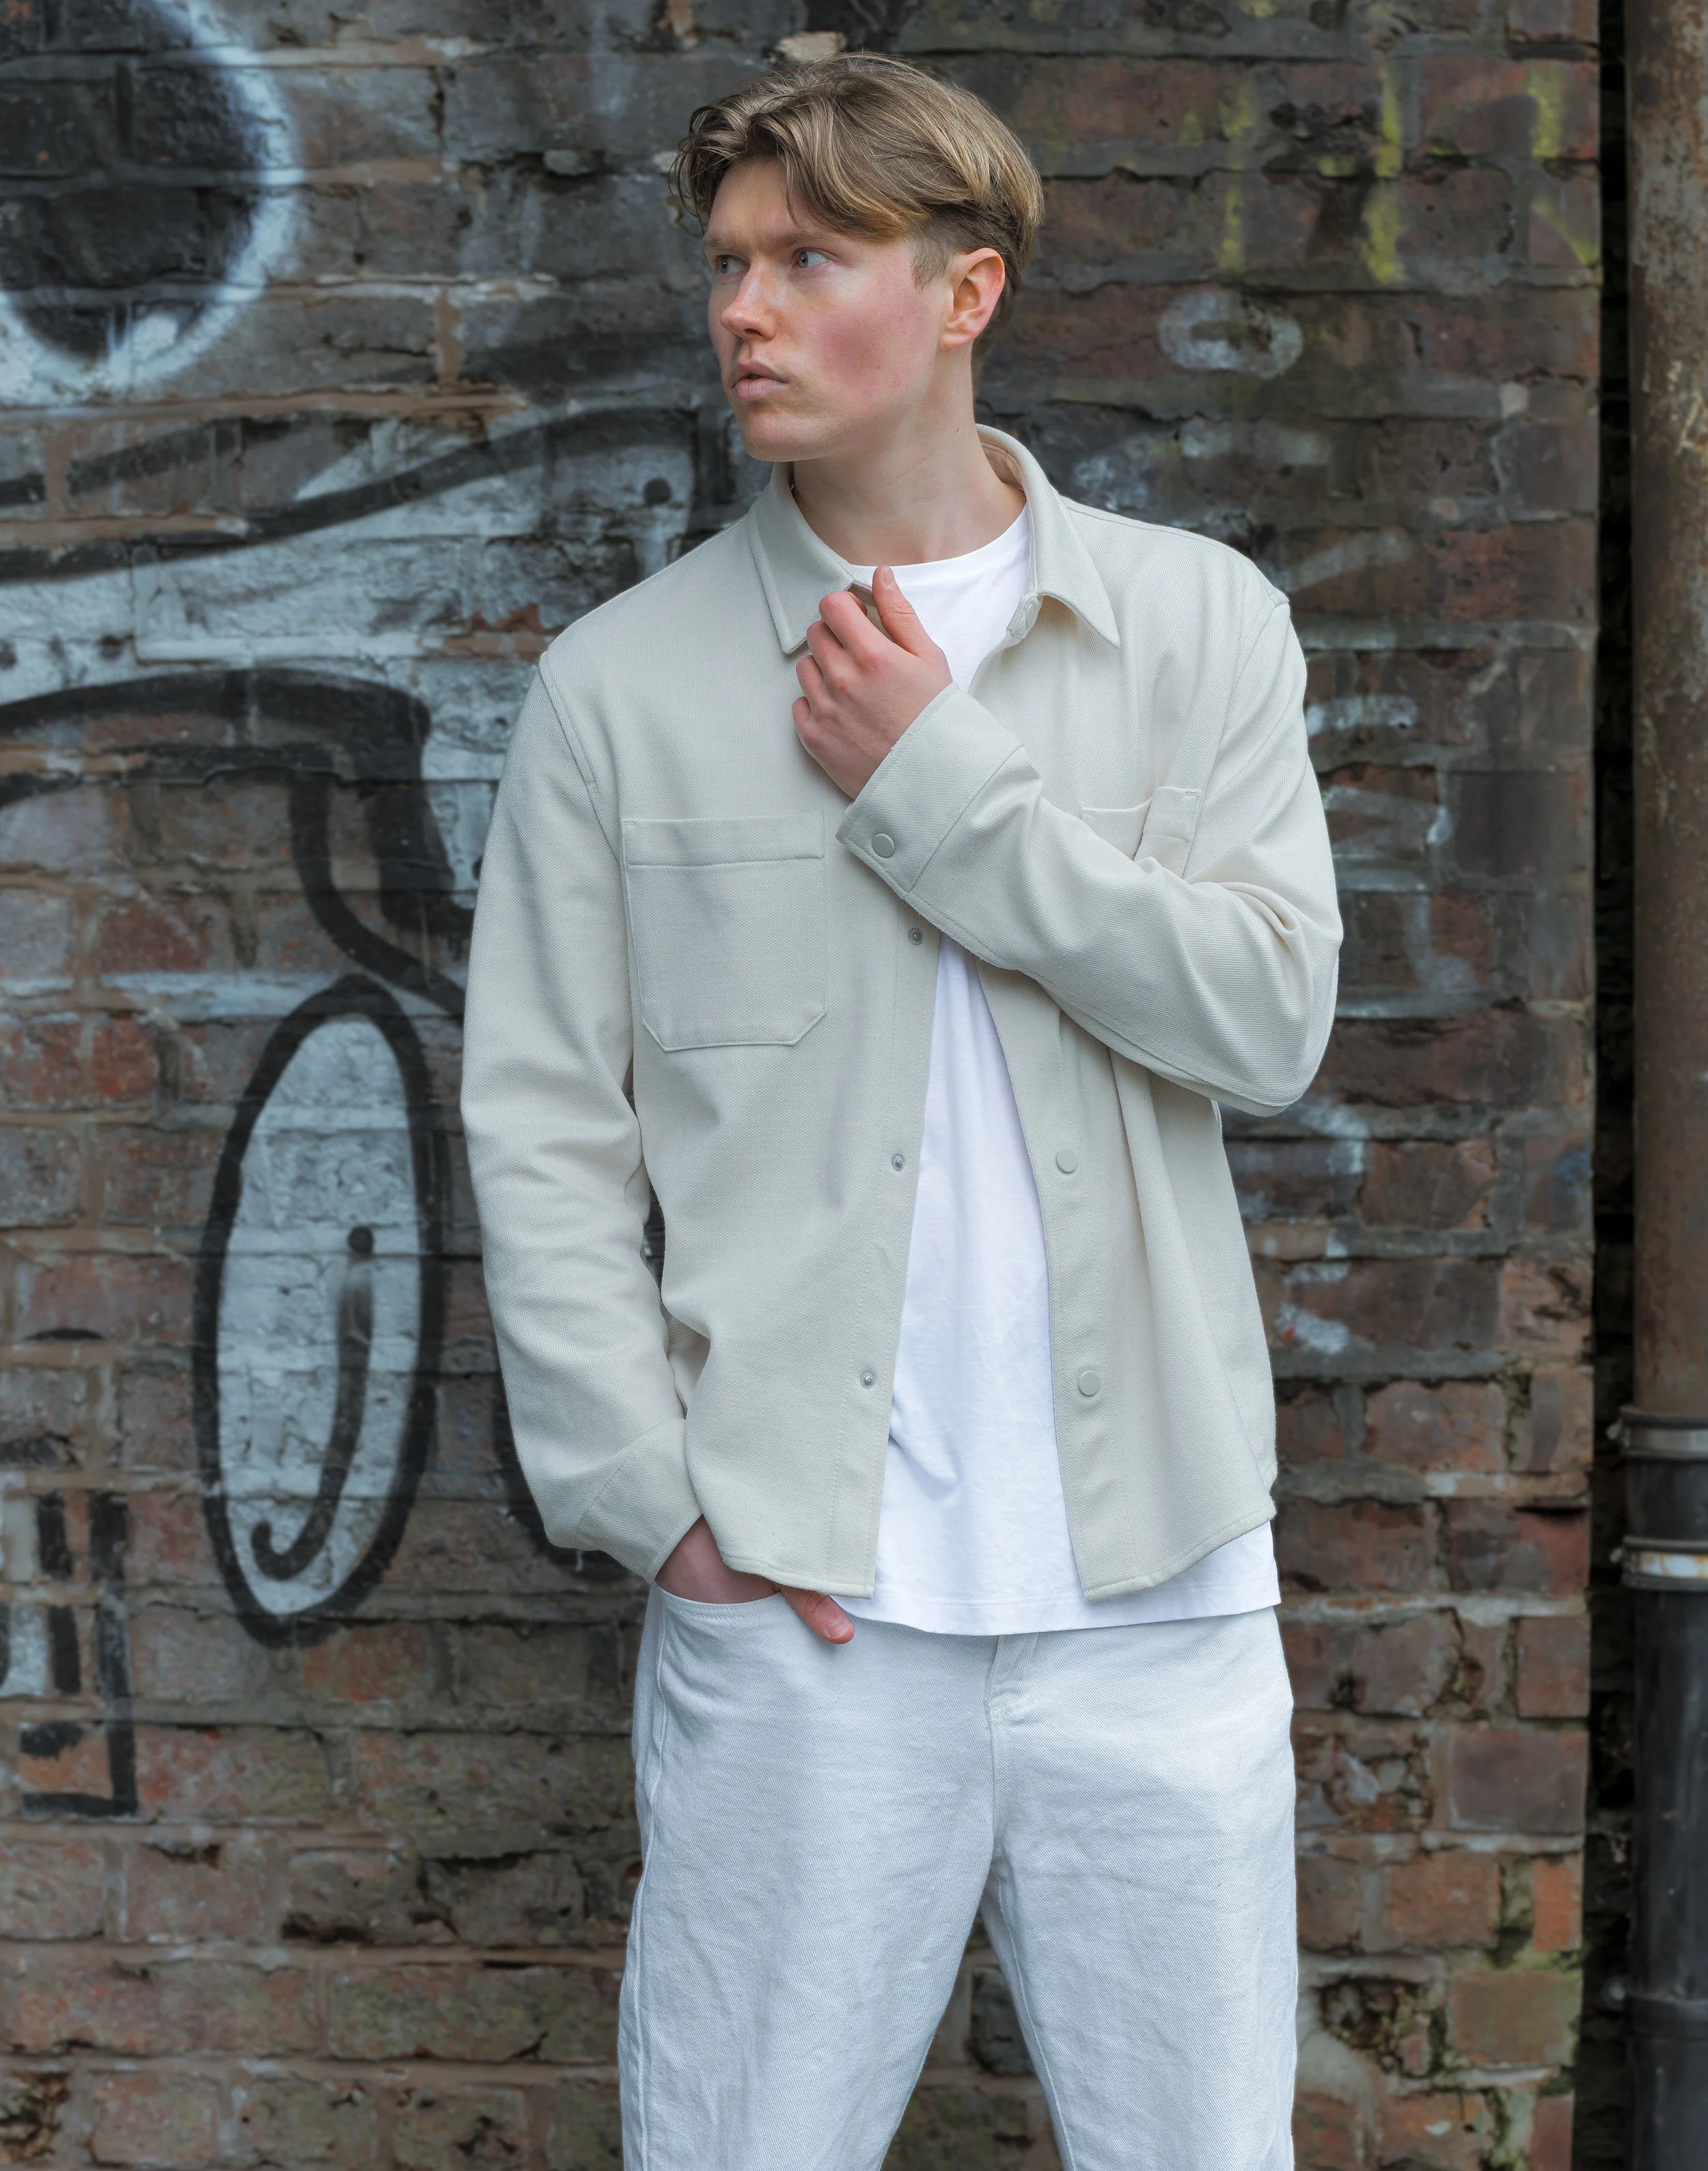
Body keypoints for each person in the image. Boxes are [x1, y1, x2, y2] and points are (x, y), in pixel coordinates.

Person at [461, 51, 1341, 2171]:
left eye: (812, 259)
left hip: (1158, 1607)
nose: (743, 310)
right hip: (800, 1609)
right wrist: (663, 1515)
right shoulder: (627, 684)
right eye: (731, 263)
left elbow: (1262, 1016)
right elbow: (545, 1131)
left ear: (964, 293)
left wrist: (939, 784)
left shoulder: (1189, 627)